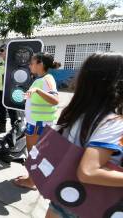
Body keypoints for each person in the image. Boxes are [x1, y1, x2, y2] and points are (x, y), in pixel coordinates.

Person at [46, 53, 123, 218]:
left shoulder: (76, 112)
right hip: (90, 204)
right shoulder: (112, 122)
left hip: (63, 195)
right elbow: (88, 172)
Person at [13, 53, 60, 190]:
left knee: (34, 153)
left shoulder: (47, 79)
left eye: (31, 63)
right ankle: (32, 178)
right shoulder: (42, 79)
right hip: (36, 123)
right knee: (35, 153)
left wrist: (37, 91)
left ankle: (32, 181)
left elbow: (55, 100)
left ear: (40, 64)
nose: (29, 65)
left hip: (38, 125)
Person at [0, 44, 18, 133]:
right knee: (1, 109)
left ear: (8, 51)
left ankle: (15, 128)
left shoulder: (13, 62)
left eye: (2, 50)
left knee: (11, 109)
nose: (0, 52)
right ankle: (2, 126)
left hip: (9, 89)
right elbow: (0, 75)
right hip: (0, 89)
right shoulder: (1, 62)